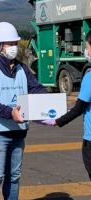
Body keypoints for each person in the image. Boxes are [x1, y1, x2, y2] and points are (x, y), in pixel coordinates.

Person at [0, 22, 48, 200]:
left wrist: (51, 102)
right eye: (9, 44)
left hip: (18, 132)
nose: (14, 47)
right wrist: (10, 112)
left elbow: (36, 88)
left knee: (14, 178)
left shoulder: (22, 68)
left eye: (15, 43)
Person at [46, 31, 91, 181]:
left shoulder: (90, 77)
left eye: (87, 46)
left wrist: (58, 120)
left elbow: (79, 108)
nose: (86, 51)